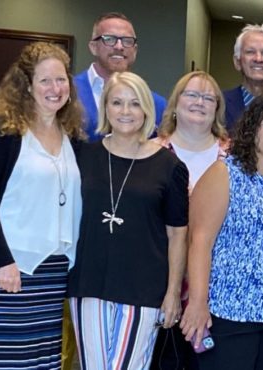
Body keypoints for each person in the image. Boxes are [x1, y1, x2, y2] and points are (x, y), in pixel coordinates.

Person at [0, 41, 84, 370]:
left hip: (54, 270)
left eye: (61, 79)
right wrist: (4, 260)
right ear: (27, 85)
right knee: (2, 359)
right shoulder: (2, 129)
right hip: (10, 267)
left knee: (43, 360)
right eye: (45, 80)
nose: (55, 88)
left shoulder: (72, 135)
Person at [179, 94, 263, 369]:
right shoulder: (225, 173)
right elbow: (200, 241)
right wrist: (198, 303)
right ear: (253, 130)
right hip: (231, 312)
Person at [67, 72, 189, 369]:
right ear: (105, 107)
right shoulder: (82, 156)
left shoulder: (169, 166)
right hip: (88, 282)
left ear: (147, 109)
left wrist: (173, 293)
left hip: (143, 287)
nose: (125, 111)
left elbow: (177, 236)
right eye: (117, 102)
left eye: (134, 104)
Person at [150, 70, 230, 370]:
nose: (200, 102)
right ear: (176, 102)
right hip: (160, 286)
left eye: (209, 97)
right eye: (192, 94)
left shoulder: (234, 157)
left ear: (218, 108)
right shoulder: (150, 152)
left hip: (220, 292)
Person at [74, 12, 166, 141]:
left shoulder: (157, 105)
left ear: (135, 50)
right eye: (109, 39)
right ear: (93, 47)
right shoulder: (68, 94)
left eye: (127, 41)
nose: (119, 46)